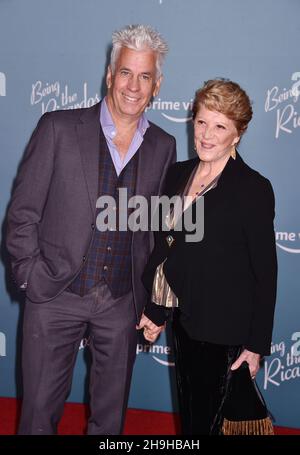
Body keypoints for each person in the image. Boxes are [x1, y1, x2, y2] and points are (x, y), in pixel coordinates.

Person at [6, 24, 176, 435]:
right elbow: (21, 214)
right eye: (125, 73)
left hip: (120, 303)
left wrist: (155, 299)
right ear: (109, 74)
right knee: (36, 420)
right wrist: (31, 275)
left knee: (110, 423)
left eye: (144, 76)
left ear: (157, 84)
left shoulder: (164, 146)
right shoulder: (58, 128)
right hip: (55, 297)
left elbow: (160, 232)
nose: (133, 86)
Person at [141, 79, 277, 435]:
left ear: (238, 134)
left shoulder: (252, 188)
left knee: (210, 428)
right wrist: (157, 311)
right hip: (185, 328)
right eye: (201, 122)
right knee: (192, 422)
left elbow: (266, 274)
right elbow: (168, 250)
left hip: (226, 335)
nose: (206, 134)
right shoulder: (178, 174)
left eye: (220, 126)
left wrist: (256, 346)